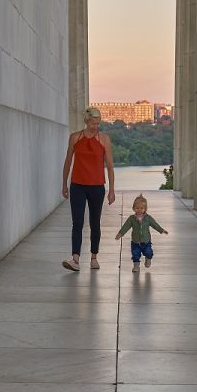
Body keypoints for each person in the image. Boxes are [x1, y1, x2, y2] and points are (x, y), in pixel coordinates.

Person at [61, 107, 115, 271]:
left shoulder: (104, 139)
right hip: (77, 185)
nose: (96, 126)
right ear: (87, 121)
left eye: (98, 123)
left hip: (97, 186)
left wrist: (111, 190)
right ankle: (75, 259)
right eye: (93, 123)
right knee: (77, 222)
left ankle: (94, 257)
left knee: (94, 223)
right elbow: (68, 162)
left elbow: (110, 166)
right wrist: (64, 184)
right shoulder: (75, 138)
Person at [115, 194, 168, 273]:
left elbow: (155, 225)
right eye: (137, 208)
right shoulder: (132, 219)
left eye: (141, 208)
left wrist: (161, 230)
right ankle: (136, 266)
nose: (139, 210)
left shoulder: (148, 218)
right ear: (133, 208)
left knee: (148, 252)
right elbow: (126, 227)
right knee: (135, 254)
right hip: (135, 242)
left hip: (146, 241)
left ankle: (148, 258)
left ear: (145, 209)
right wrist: (120, 233)